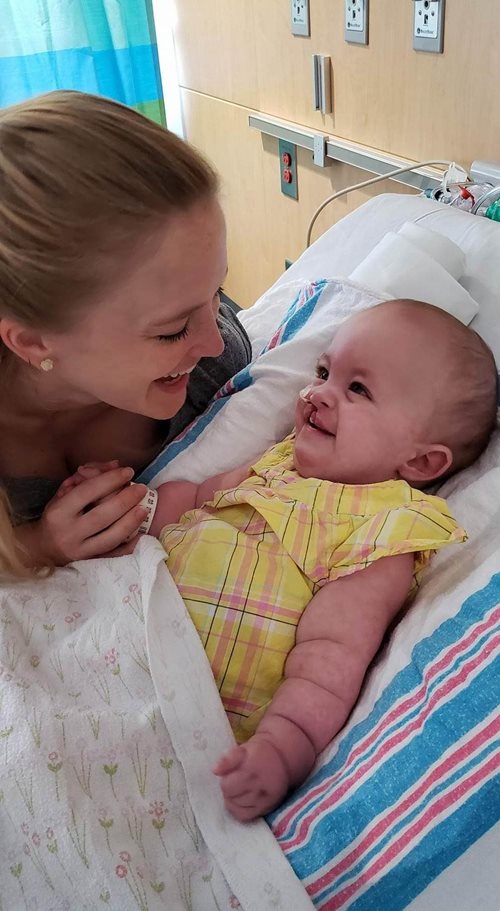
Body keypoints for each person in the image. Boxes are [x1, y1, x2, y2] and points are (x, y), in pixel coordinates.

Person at [62, 299, 498, 821]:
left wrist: (284, 747)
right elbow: (197, 496)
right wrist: (125, 507)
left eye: (357, 389)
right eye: (323, 372)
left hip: (192, 696)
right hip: (121, 625)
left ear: (422, 461)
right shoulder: (280, 459)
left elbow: (331, 657)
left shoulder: (385, 528)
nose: (316, 393)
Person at [0, 90, 251, 577]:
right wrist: (34, 548)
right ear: (32, 342)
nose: (213, 342)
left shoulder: (217, 370)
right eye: (172, 331)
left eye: (218, 291)